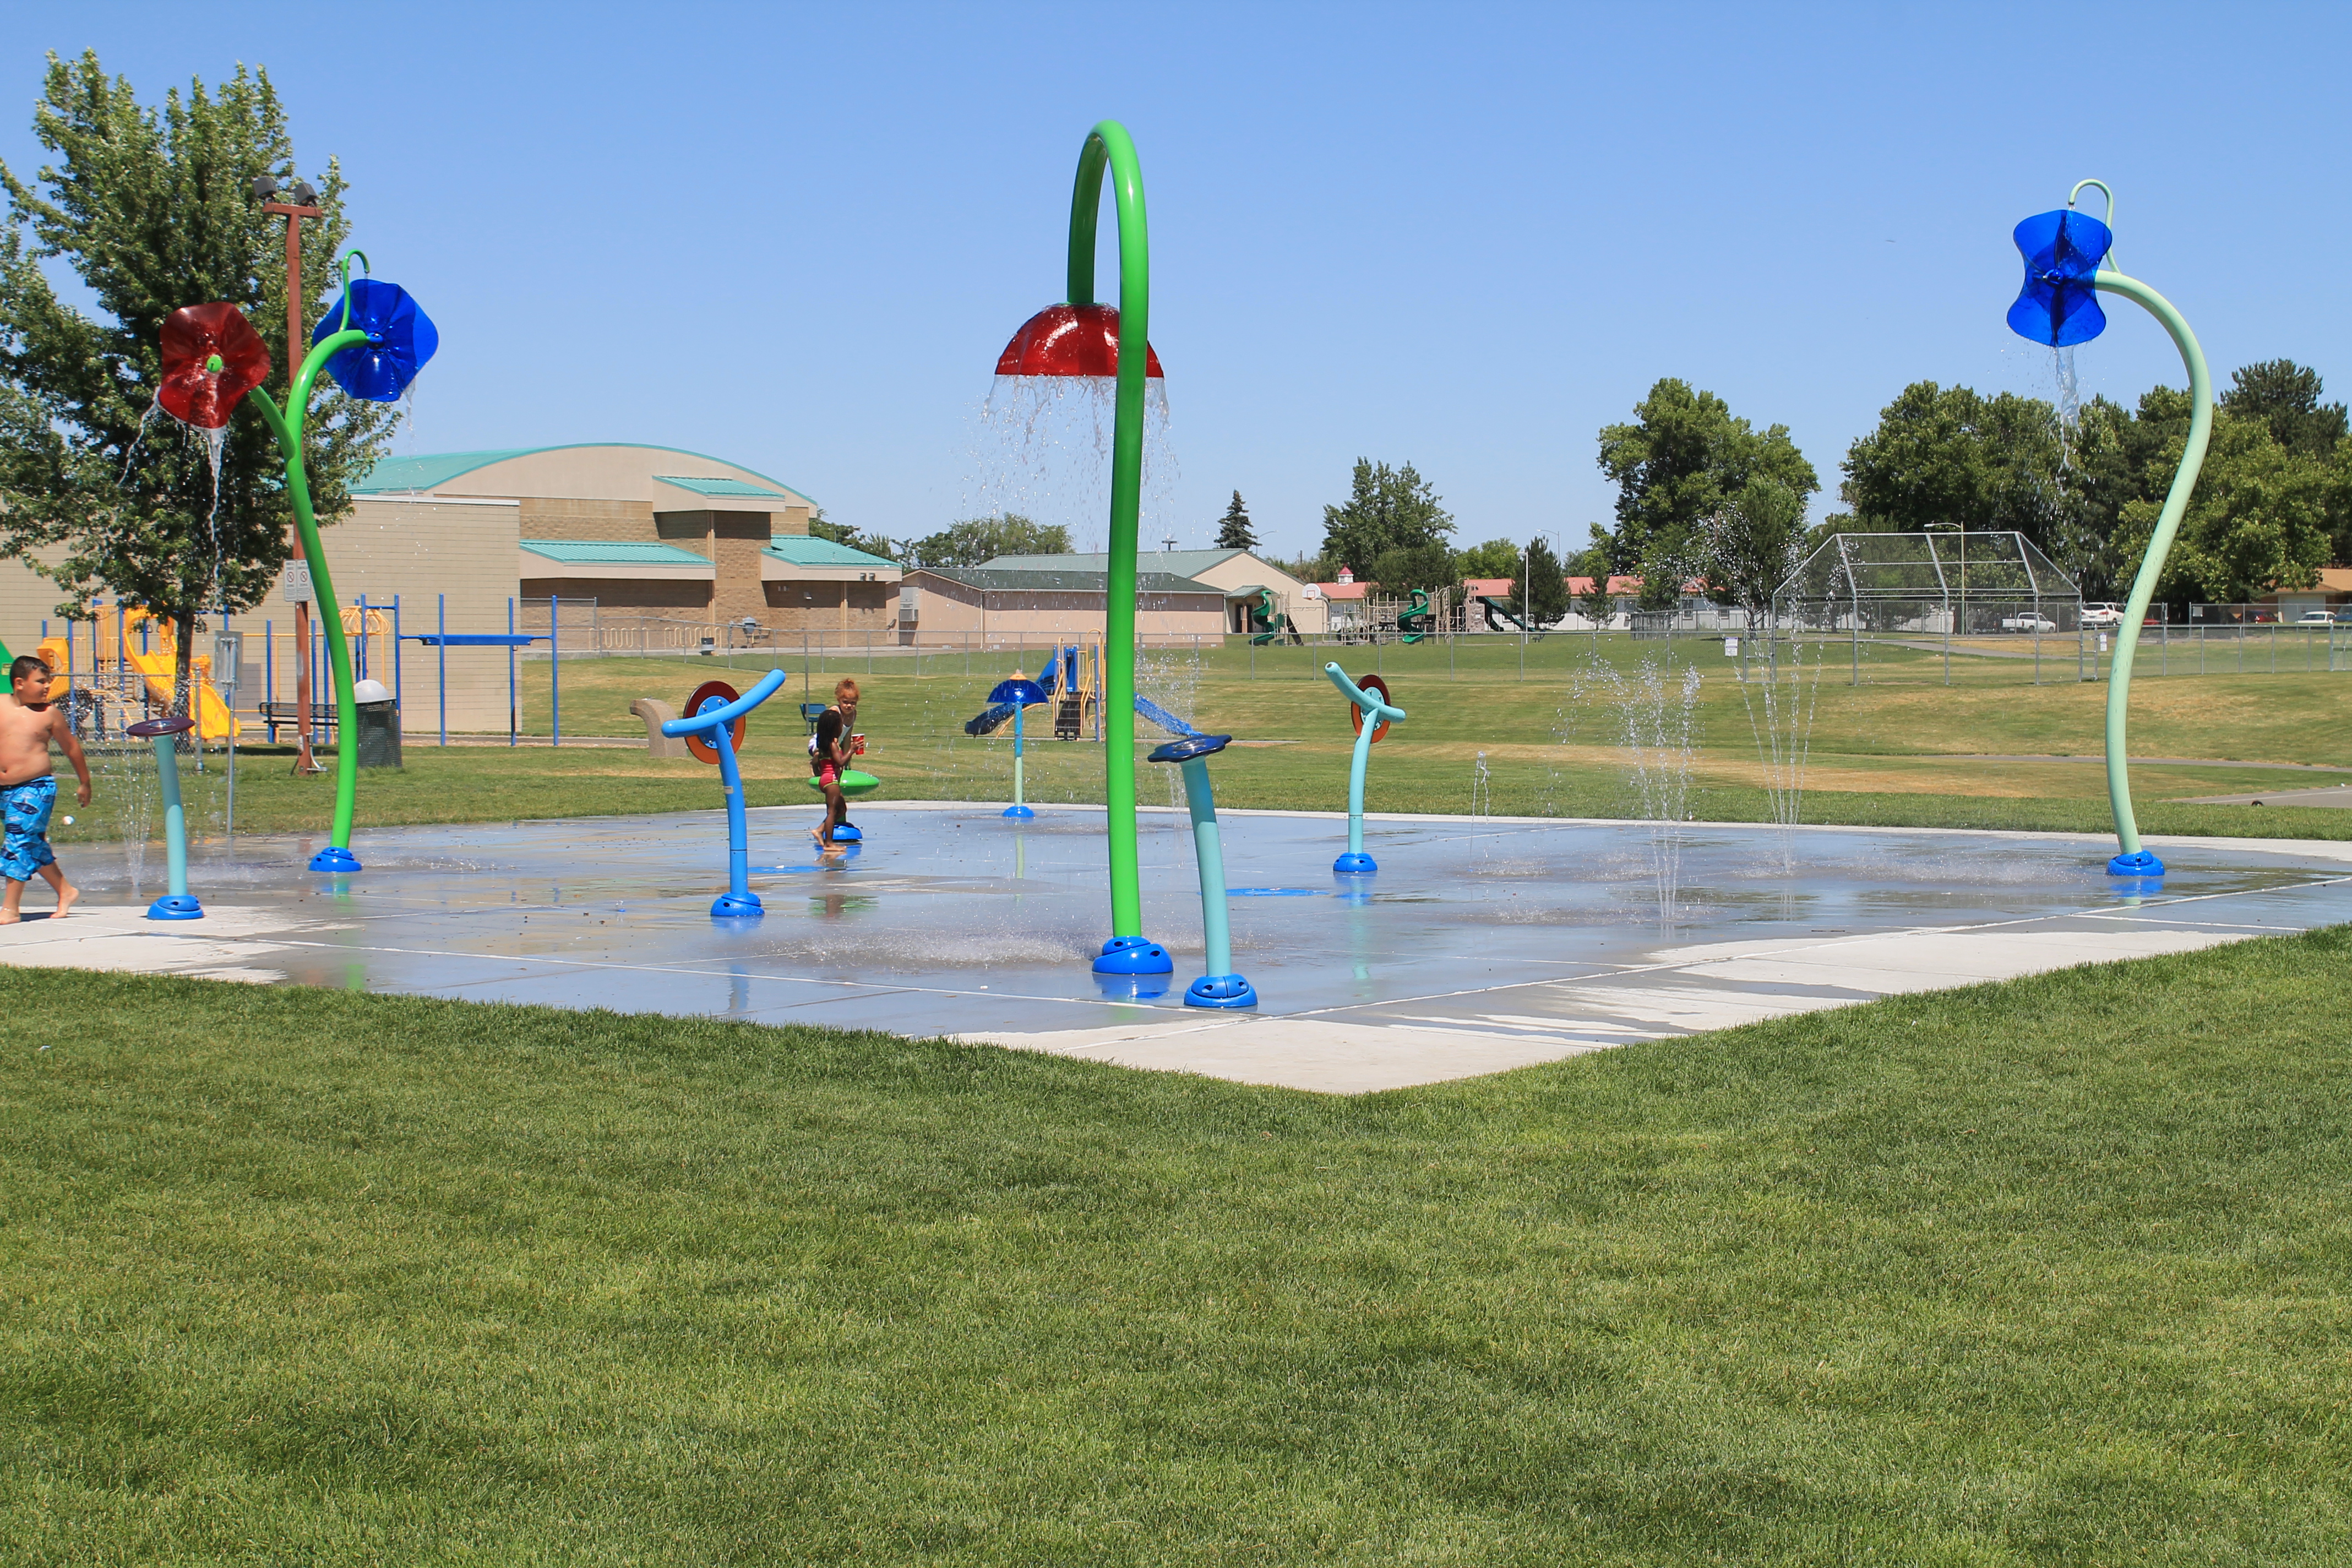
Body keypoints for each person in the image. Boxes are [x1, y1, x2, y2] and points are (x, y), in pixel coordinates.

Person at [0, 654, 91, 923]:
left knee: (17, 840)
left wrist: (84, 782)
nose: (47, 687)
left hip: (35, 787)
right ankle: (66, 890)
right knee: (32, 843)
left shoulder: (49, 714)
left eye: (48, 682)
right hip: (4, 789)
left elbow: (72, 748)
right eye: (41, 682)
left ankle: (10, 908)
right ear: (19, 683)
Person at [810, 677, 859, 846]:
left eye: (853, 703)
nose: (849, 706)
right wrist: (845, 753)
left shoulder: (852, 715)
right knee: (833, 809)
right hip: (822, 744)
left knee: (838, 807)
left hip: (834, 750)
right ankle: (815, 761)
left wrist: (847, 756)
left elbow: (846, 738)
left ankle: (822, 831)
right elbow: (828, 738)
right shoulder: (834, 713)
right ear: (839, 700)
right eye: (846, 702)